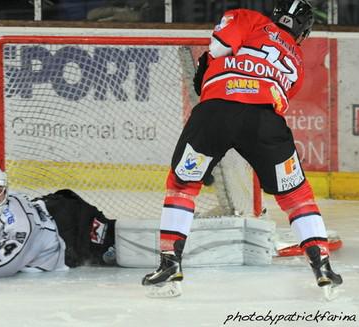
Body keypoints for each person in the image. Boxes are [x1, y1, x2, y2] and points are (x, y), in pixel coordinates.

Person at [142, 0, 342, 297]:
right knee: (297, 195)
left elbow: (219, 47)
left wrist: (211, 63)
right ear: (303, 31)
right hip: (264, 121)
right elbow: (272, 90)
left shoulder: (247, 17)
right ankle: (322, 265)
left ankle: (170, 263)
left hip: (215, 114)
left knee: (182, 186)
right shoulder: (296, 62)